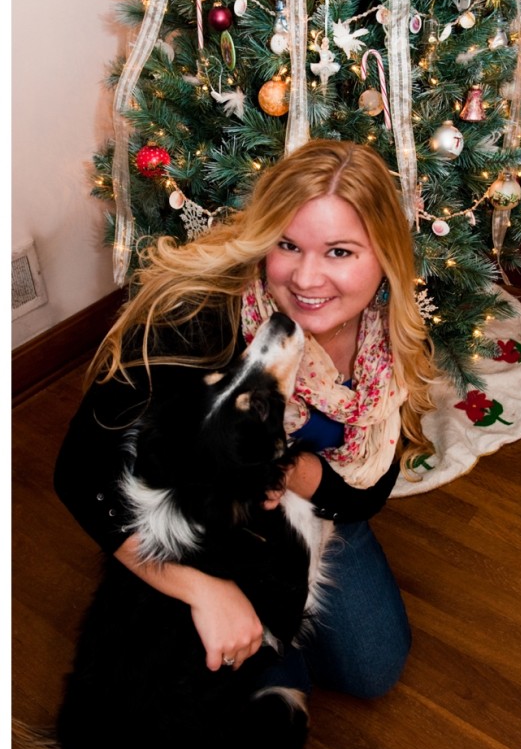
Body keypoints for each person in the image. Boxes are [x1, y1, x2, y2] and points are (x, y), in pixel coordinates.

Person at [54, 139, 437, 700]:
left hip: (311, 507)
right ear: (264, 240)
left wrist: (293, 473)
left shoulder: (387, 336)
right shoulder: (193, 318)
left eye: (340, 252)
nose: (307, 280)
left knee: (372, 670)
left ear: (385, 257)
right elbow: (78, 475)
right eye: (288, 245)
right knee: (247, 677)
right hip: (205, 530)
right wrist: (201, 589)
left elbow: (367, 493)